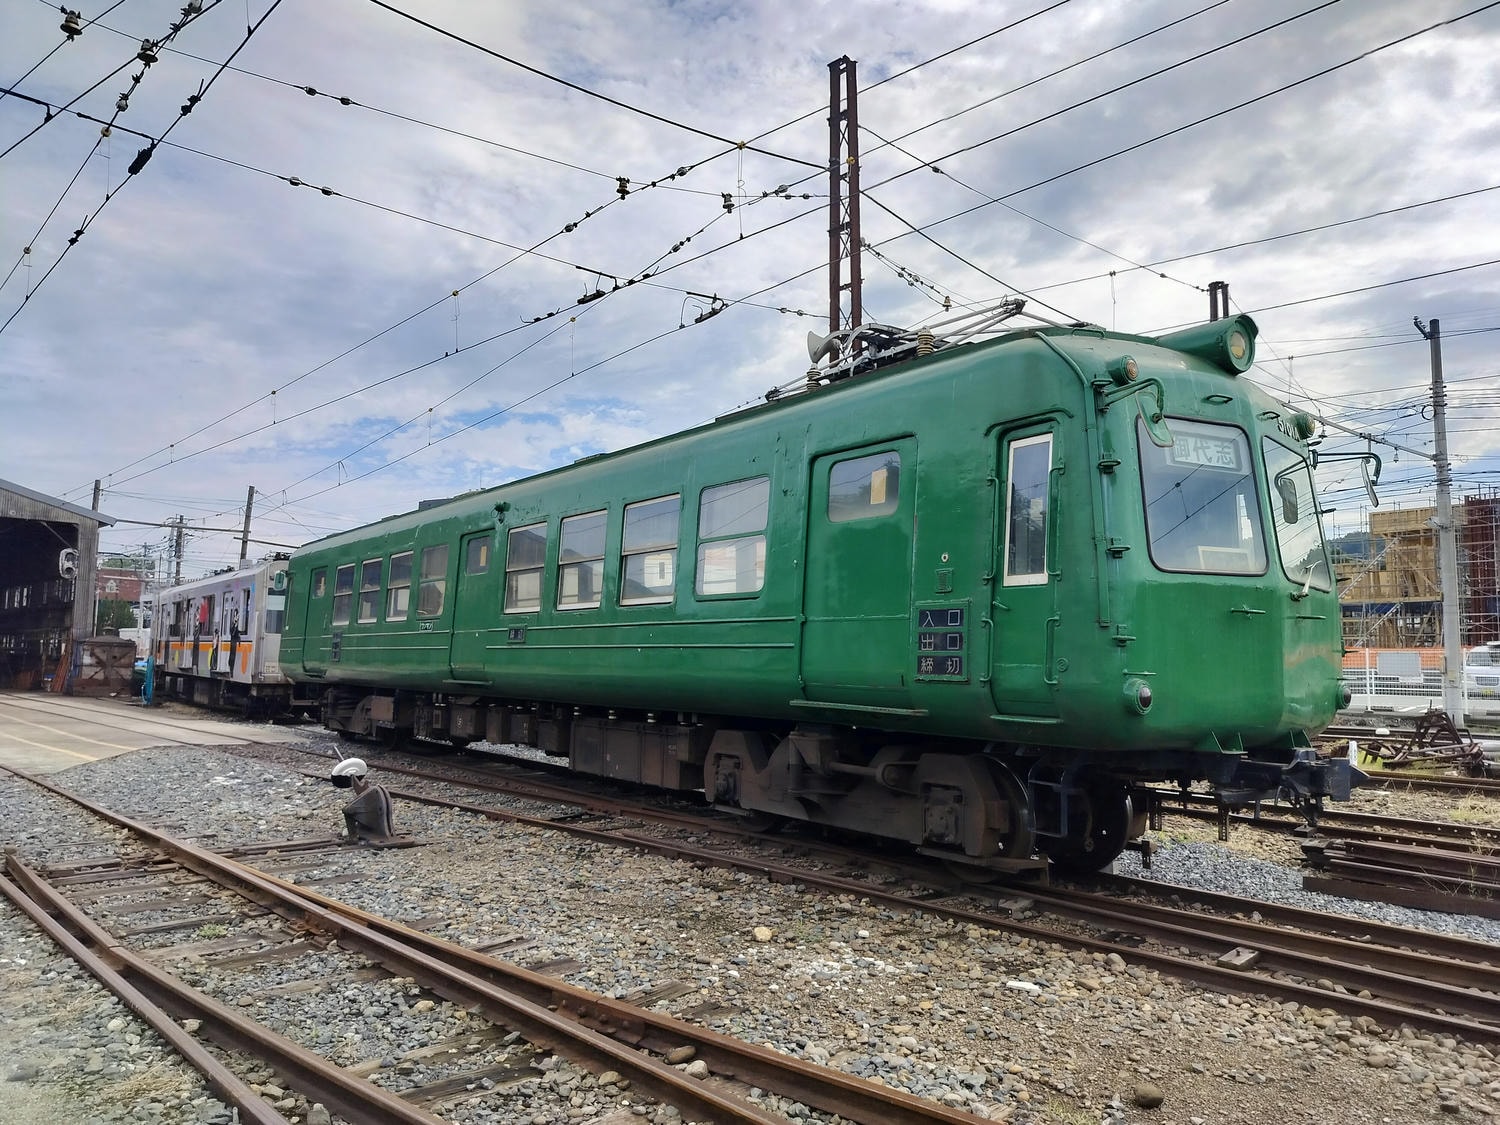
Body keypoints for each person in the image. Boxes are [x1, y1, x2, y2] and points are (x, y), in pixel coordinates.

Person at [330, 757, 396, 842]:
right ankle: (356, 834)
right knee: (349, 809)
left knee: (348, 810)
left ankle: (353, 837)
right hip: (373, 822)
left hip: (374, 822)